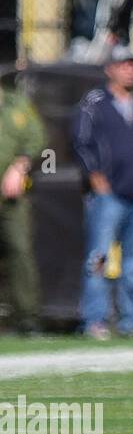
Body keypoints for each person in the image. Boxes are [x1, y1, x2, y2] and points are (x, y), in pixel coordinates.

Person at [70, 46, 133, 341]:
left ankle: (132, 319)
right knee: (98, 258)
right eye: (123, 64)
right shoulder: (95, 102)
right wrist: (95, 175)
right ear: (109, 69)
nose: (129, 70)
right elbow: (81, 141)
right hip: (108, 192)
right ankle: (94, 319)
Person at [0, 74, 46, 334]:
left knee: (20, 252)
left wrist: (20, 165)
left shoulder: (17, 104)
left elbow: (36, 137)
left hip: (11, 196)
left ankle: (27, 319)